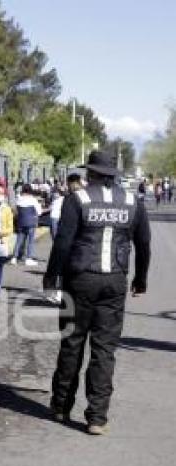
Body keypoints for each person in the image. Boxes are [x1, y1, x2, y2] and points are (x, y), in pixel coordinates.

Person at [44, 151, 151, 435]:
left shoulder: (77, 198)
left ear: (90, 173)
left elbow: (63, 243)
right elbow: (144, 243)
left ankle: (60, 406)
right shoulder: (132, 201)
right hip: (115, 280)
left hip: (80, 279)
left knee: (72, 343)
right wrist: (140, 279)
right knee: (104, 350)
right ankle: (97, 417)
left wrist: (51, 277)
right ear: (113, 175)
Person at [10, 183, 42, 266]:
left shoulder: (19, 199)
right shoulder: (33, 200)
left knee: (19, 240)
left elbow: (15, 211)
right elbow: (39, 212)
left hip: (21, 222)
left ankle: (14, 258)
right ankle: (28, 258)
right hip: (31, 222)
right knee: (30, 241)